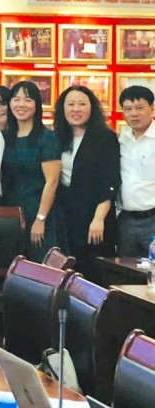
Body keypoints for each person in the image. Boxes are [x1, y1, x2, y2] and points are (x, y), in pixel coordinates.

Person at [54, 85, 119, 281]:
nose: (76, 109)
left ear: (92, 108)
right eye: (71, 104)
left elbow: (111, 181)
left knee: (93, 274)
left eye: (82, 104)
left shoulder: (105, 138)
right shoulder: (56, 137)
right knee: (67, 271)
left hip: (95, 217)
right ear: (62, 109)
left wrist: (98, 219)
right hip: (65, 217)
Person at [1, 81, 64, 262]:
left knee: (41, 269)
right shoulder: (4, 137)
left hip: (39, 212)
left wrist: (40, 218)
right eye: (16, 99)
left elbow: (52, 182)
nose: (21, 105)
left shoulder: (47, 138)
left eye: (27, 100)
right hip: (11, 213)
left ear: (37, 105)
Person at [118, 85, 155, 256]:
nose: (134, 113)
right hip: (126, 221)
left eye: (139, 108)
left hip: (152, 219)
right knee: (126, 274)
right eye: (128, 109)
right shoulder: (121, 139)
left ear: (152, 108)